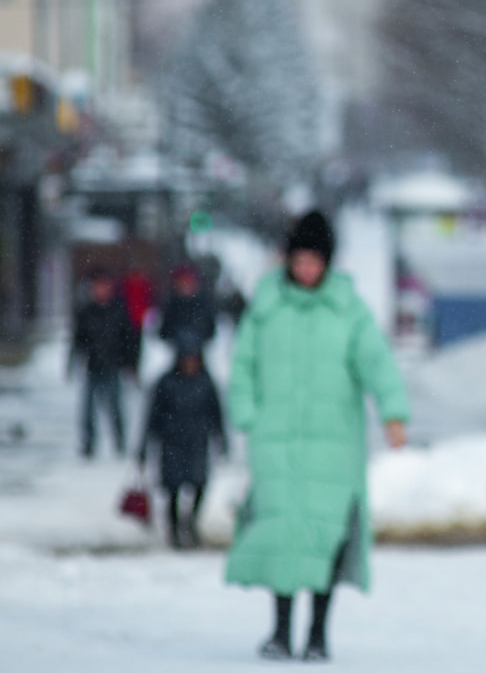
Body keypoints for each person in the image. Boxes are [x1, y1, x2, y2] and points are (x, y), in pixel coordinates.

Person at [224, 210, 410, 662]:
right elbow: (243, 364)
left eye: (315, 261)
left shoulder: (348, 310)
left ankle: (318, 634)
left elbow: (377, 362)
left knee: (325, 537)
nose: (307, 270)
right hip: (276, 443)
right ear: (288, 259)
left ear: (328, 262)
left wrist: (393, 412)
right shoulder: (266, 307)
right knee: (282, 536)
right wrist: (246, 413)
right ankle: (281, 630)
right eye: (300, 260)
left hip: (334, 447)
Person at [137, 339, 228, 550]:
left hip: (197, 442)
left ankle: (191, 521)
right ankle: (174, 527)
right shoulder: (166, 383)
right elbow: (152, 417)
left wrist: (221, 438)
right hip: (172, 443)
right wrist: (143, 447)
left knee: (199, 484)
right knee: (172, 488)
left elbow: (216, 413)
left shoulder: (206, 382)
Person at [68, 268, 136, 459]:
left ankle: (119, 440)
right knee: (88, 409)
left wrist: (130, 363)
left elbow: (129, 339)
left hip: (113, 365)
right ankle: (88, 443)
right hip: (93, 365)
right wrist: (72, 361)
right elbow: (78, 338)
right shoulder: (86, 312)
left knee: (115, 406)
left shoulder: (118, 311)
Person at [158, 263, 216, 354]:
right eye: (183, 281)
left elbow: (211, 331)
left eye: (189, 281)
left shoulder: (203, 306)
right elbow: (163, 334)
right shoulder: (171, 306)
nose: (186, 285)